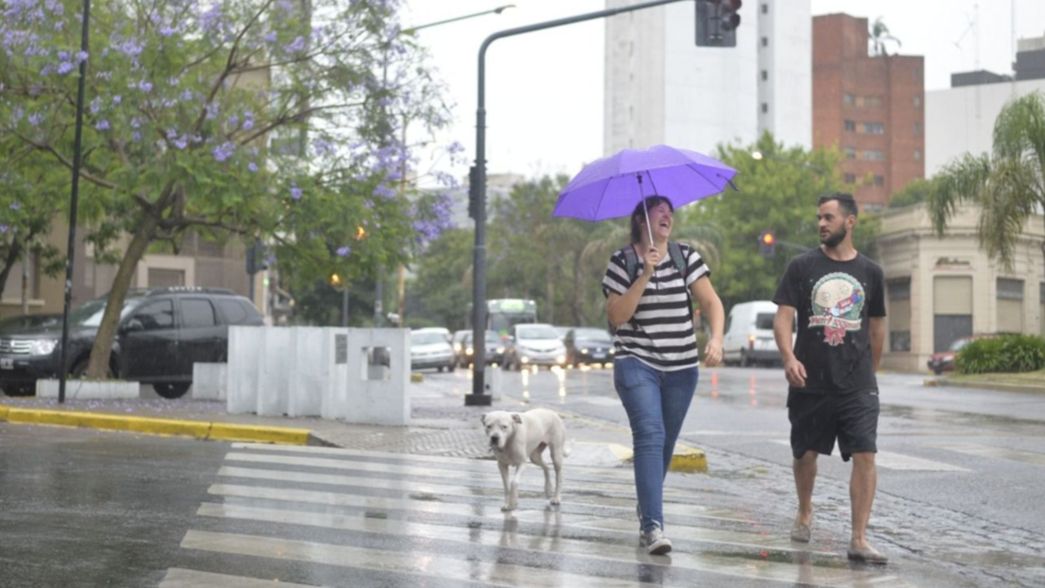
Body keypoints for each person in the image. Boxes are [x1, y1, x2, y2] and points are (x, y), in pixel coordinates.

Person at [602, 195, 724, 555]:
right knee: (650, 435)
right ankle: (653, 526)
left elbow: (712, 302)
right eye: (659, 210)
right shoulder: (622, 262)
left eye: (670, 211)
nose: (667, 215)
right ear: (641, 219)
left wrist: (716, 338)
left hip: (682, 368)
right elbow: (617, 316)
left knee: (665, 444)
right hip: (636, 362)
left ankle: (647, 504)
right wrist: (645, 274)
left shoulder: (686, 257)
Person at [772, 192, 888, 564]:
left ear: (850, 221)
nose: (821, 224)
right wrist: (789, 357)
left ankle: (858, 538)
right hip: (810, 380)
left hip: (857, 383)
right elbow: (784, 317)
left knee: (865, 454)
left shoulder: (871, 272)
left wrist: (871, 371)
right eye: (819, 218)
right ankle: (805, 510)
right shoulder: (801, 267)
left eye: (828, 217)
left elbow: (877, 325)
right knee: (805, 453)